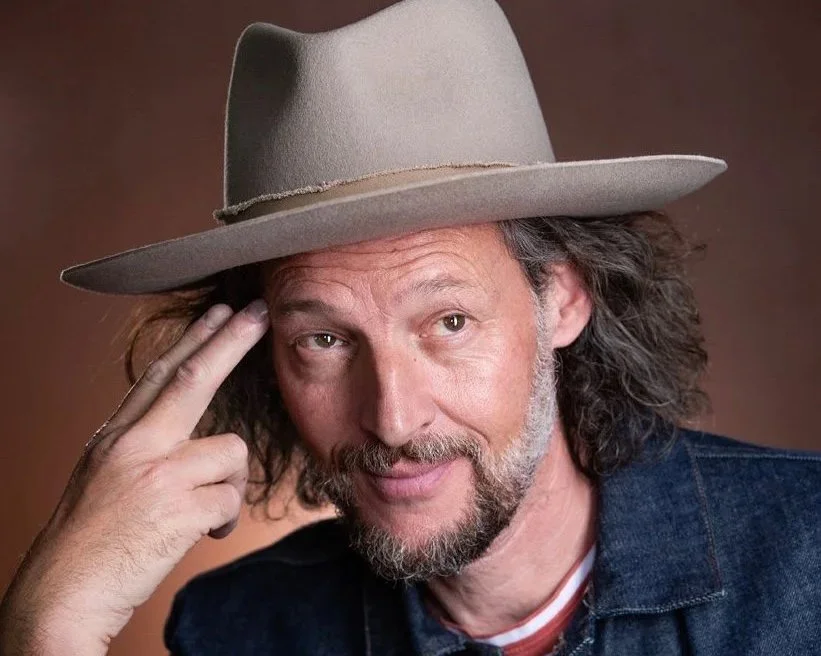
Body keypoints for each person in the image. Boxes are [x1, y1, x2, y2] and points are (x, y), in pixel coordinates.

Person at [1, 0, 819, 654]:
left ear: (563, 300)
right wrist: (52, 626)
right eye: (323, 340)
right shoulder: (241, 631)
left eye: (449, 322)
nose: (391, 418)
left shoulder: (805, 558)